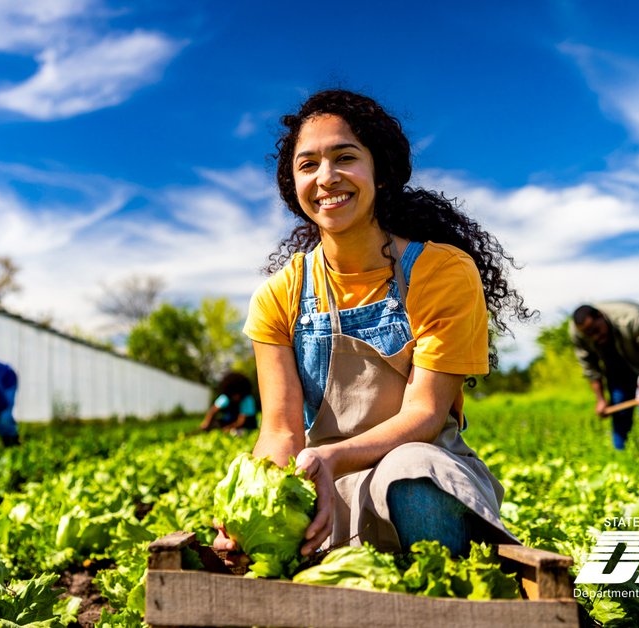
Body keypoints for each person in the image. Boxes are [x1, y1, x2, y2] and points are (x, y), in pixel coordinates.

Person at [217, 89, 532, 559]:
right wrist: (254, 504)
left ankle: (444, 601)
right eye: (308, 165)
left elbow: (424, 415)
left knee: (409, 468)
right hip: (326, 493)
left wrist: (332, 456)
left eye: (345, 157)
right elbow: (281, 431)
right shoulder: (278, 296)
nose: (326, 178)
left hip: (424, 476)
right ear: (293, 186)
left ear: (380, 172)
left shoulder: (440, 271)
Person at [569, 302, 639, 453]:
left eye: (596, 330)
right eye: (589, 334)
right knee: (619, 401)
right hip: (617, 358)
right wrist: (601, 400)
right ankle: (621, 454)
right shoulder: (577, 332)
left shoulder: (635, 319)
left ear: (601, 316)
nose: (594, 337)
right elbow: (590, 368)